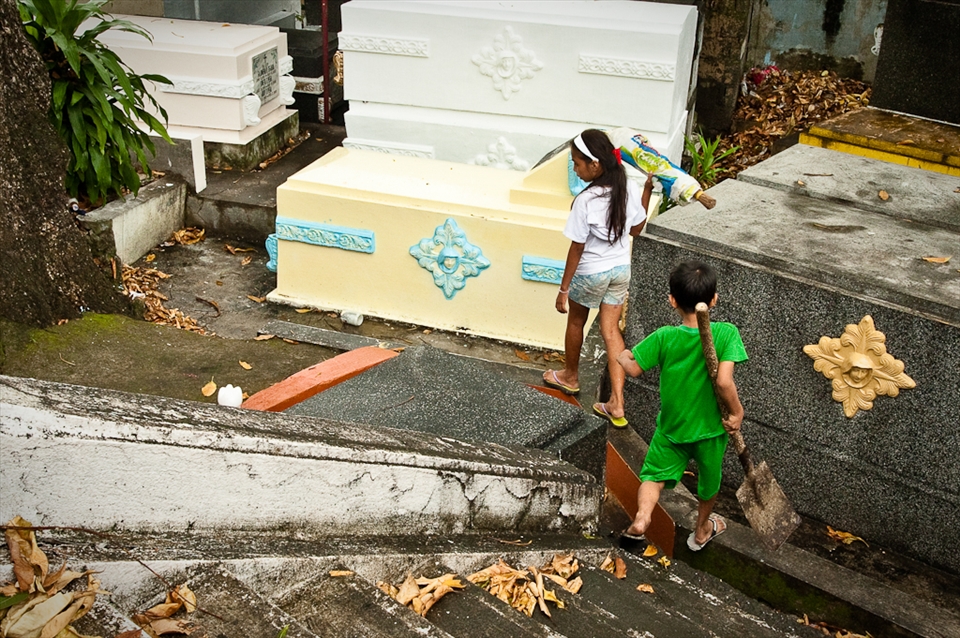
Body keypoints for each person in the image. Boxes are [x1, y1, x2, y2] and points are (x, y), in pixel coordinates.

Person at [616, 260, 747, 551]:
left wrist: (623, 356)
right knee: (709, 484)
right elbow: (724, 382)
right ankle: (701, 530)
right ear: (713, 299)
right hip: (711, 432)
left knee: (653, 476)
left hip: (672, 428)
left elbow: (634, 368)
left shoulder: (665, 336)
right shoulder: (726, 334)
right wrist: (737, 413)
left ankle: (642, 517)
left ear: (672, 300)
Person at [542, 129, 653, 427]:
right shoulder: (626, 188)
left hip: (592, 272)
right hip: (620, 270)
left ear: (595, 164)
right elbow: (636, 230)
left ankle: (570, 376)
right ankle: (616, 403)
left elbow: (577, 247)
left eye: (577, 163)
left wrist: (563, 289)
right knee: (611, 330)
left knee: (576, 321)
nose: (576, 169)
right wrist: (648, 191)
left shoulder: (586, 200)